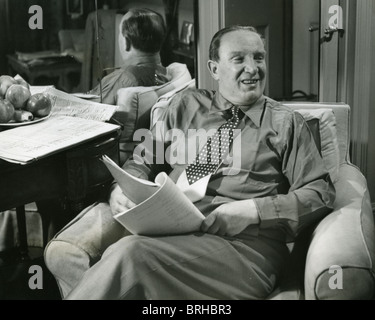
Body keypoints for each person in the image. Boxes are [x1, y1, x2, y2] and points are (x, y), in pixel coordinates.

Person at [45, 25, 335, 300]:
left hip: (245, 248)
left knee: (131, 253)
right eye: (239, 59)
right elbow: (142, 159)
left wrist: (252, 210)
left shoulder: (286, 124)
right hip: (172, 228)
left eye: (258, 57)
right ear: (214, 69)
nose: (253, 68)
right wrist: (120, 190)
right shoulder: (185, 105)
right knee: (120, 248)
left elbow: (320, 193)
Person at [87, 7, 169, 105]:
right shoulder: (165, 74)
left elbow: (88, 109)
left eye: (119, 33)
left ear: (126, 42)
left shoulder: (123, 80)